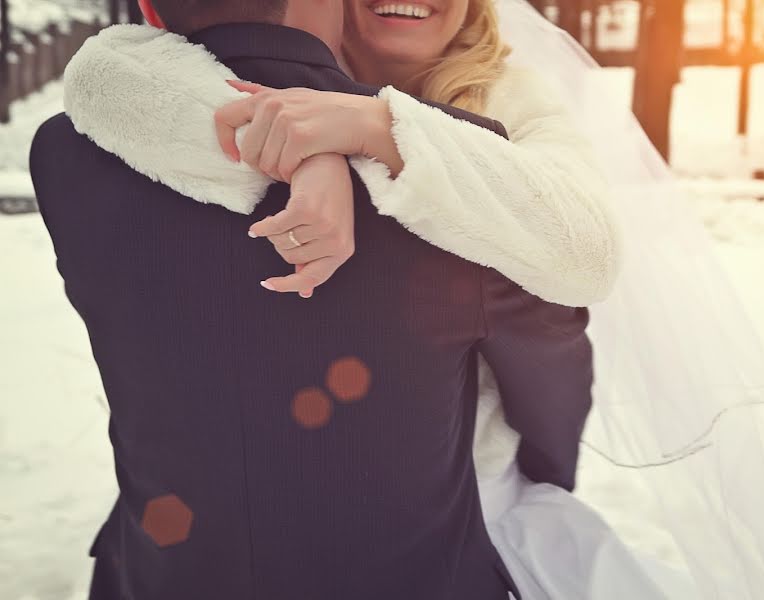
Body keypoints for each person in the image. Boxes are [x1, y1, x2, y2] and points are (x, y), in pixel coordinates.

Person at [29, 0, 609, 597]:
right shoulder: (457, 185)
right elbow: (551, 370)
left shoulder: (66, 151)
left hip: (170, 568)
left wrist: (373, 132)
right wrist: (317, 151)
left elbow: (586, 258)